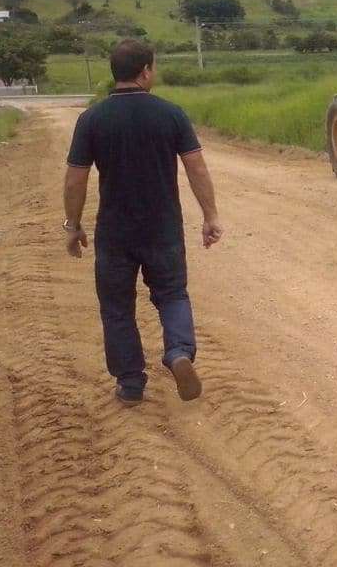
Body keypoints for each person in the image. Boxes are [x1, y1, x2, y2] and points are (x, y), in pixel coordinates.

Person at [63, 39, 222, 405]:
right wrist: (210, 216)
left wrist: (72, 225)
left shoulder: (92, 119)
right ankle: (179, 352)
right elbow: (195, 166)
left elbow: (75, 178)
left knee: (117, 305)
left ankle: (131, 383)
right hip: (162, 227)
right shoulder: (171, 114)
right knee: (171, 294)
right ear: (145, 71)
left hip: (115, 232)